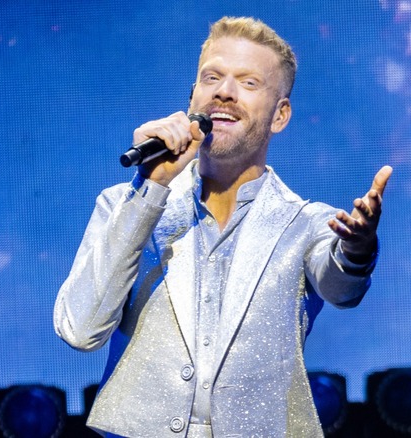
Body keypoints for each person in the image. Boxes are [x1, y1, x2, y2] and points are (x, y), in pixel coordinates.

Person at [54, 16, 392, 437]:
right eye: (211, 77)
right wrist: (152, 186)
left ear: (280, 115)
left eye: (248, 83)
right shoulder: (125, 206)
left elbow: (341, 286)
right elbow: (80, 330)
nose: (224, 92)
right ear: (193, 95)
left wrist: (358, 248)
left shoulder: (305, 223)